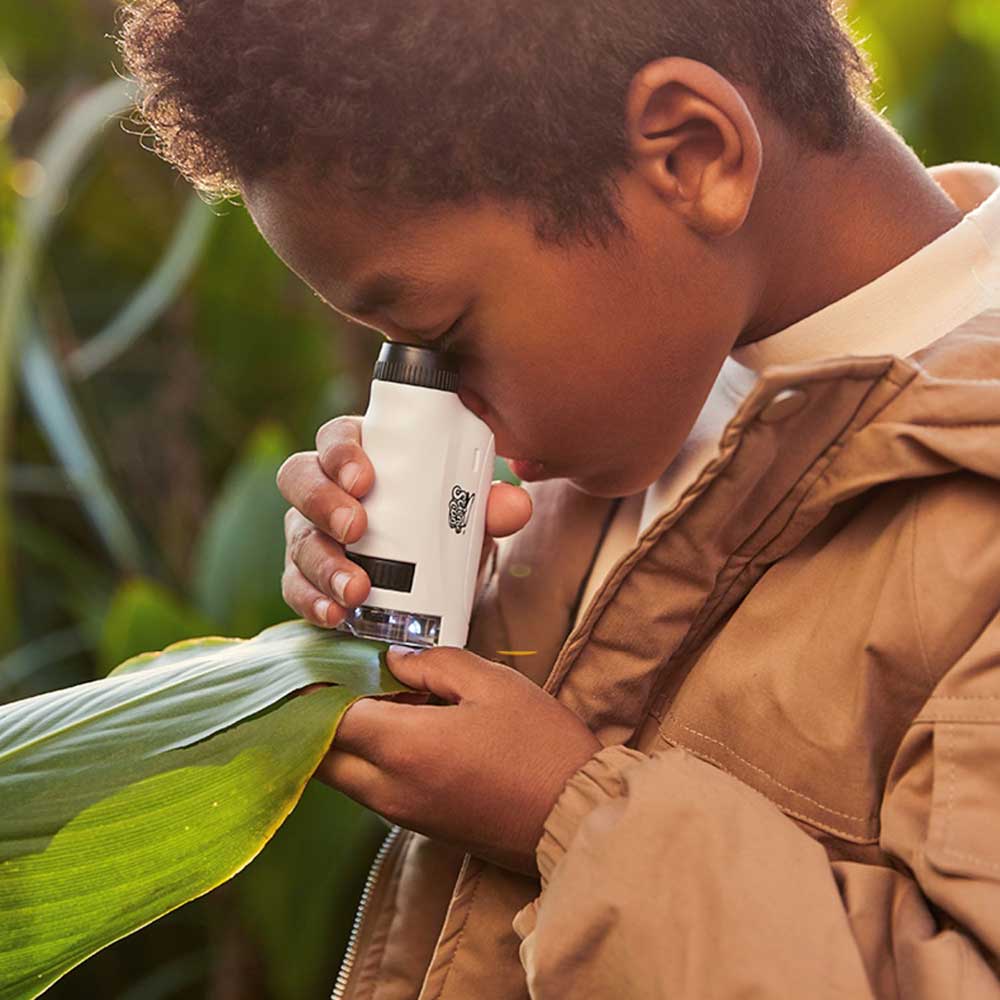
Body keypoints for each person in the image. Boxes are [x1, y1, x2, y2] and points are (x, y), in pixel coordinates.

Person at [118, 2, 1000, 997]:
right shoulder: (650, 399)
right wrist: (437, 604)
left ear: (691, 154)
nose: (442, 402)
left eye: (443, 333)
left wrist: (560, 813)